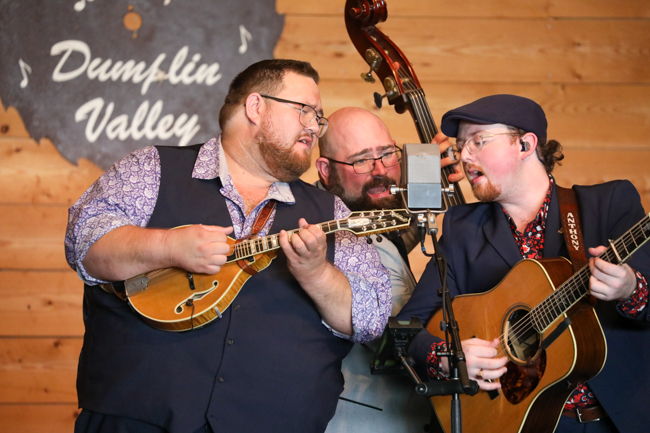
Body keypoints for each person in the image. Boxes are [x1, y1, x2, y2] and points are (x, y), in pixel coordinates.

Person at [64, 59, 392, 433]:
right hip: (133, 422)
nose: (314, 126)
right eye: (304, 110)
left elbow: (371, 318)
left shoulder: (331, 212)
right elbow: (84, 241)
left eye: (319, 117)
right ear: (255, 107)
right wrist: (168, 246)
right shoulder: (152, 168)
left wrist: (318, 275)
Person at [398, 94, 649, 433]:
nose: (464, 156)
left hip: (615, 419)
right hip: (513, 422)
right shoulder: (463, 230)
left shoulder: (607, 204)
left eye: (478, 141)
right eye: (461, 146)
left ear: (525, 145)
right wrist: (445, 357)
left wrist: (632, 288)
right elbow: (406, 328)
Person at [315, 107, 462, 432]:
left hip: (413, 413)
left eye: (387, 154)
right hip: (363, 419)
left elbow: (393, 241)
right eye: (361, 160)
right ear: (326, 170)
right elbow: (392, 326)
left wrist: (428, 178)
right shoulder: (323, 232)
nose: (380, 170)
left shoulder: (367, 214)